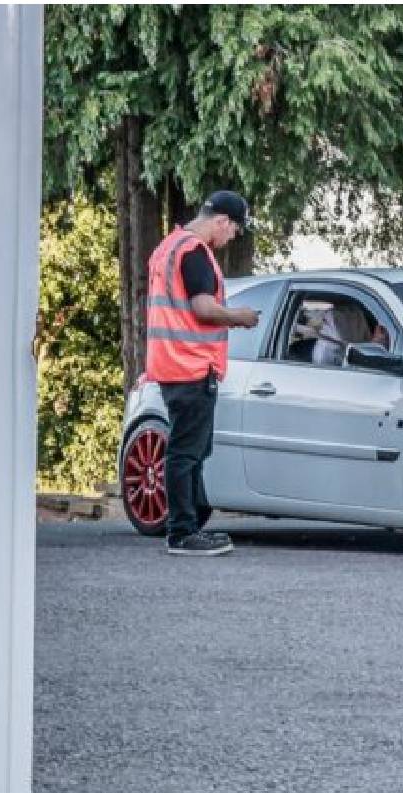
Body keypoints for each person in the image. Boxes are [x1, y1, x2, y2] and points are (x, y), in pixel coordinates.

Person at [145, 190, 259, 556]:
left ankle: (193, 522)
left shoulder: (168, 247)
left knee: (192, 448)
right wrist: (239, 318)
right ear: (222, 221)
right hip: (190, 363)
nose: (232, 238)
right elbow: (203, 308)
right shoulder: (194, 252)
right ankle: (182, 532)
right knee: (185, 452)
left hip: (170, 362)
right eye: (234, 231)